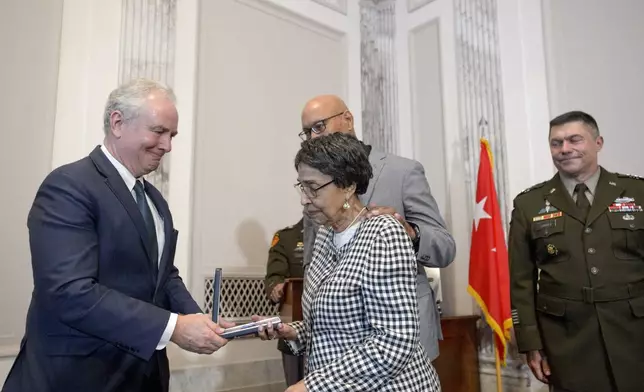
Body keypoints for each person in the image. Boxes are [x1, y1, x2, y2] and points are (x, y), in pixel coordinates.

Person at [2, 79, 232, 392]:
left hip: (141, 378)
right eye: (159, 131)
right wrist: (175, 327)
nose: (167, 146)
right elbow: (69, 292)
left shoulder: (154, 200)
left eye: (172, 135)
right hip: (75, 377)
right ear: (118, 123)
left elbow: (163, 277)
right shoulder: (69, 186)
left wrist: (199, 319)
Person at [256, 132, 441, 392]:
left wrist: (312, 385)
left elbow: (395, 341)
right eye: (301, 186)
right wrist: (294, 331)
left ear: (348, 185)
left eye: (313, 187)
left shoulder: (383, 234)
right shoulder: (324, 235)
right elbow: (342, 326)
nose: (303, 199)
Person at [298, 94, 455, 361]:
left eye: (319, 126)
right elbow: (313, 260)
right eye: (306, 132)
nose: (314, 137)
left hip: (399, 342)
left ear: (347, 120)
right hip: (340, 345)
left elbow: (445, 247)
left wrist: (411, 233)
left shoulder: (402, 172)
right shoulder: (316, 185)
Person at [509, 110, 644, 392]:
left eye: (574, 140)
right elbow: (520, 282)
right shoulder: (529, 204)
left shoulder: (637, 192)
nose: (564, 149)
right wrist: (530, 342)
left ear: (598, 143)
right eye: (556, 143)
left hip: (634, 330)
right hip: (566, 339)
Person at [264, 219, 305, 387]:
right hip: (295, 329)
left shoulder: (338, 231)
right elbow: (274, 276)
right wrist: (277, 288)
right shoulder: (287, 237)